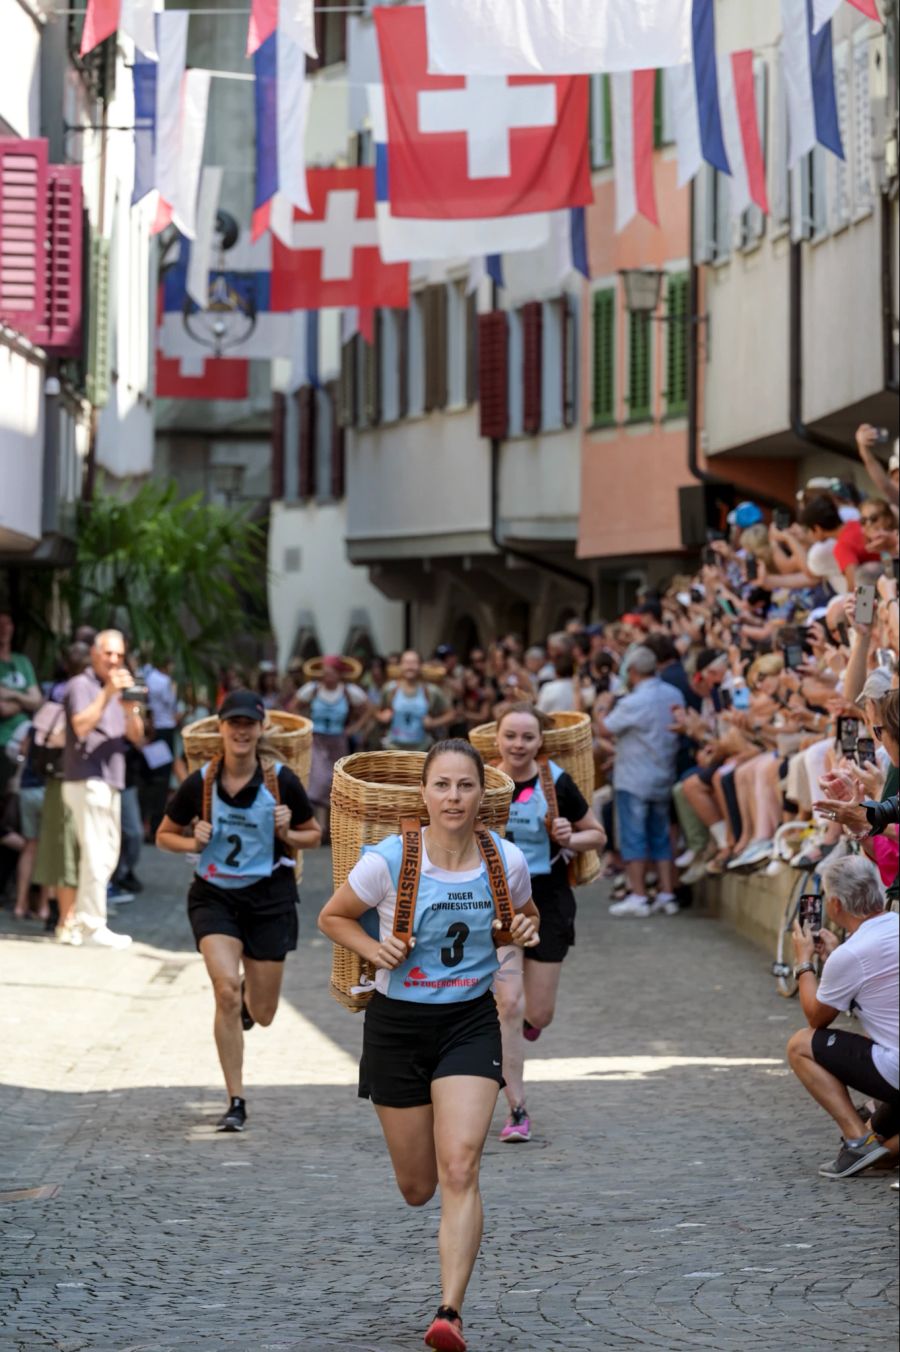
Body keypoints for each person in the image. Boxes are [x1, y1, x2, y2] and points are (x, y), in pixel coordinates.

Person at [318, 740, 539, 1352]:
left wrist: (524, 926)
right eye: (441, 785)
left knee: (462, 1165)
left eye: (464, 786)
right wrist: (372, 948)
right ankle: (444, 1277)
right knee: (418, 1187)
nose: (453, 797)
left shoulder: (506, 859)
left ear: (481, 796)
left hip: (469, 1023)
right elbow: (333, 917)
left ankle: (449, 1312)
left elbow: (527, 914)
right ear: (423, 794)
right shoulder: (388, 860)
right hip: (396, 1029)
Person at [156, 691, 321, 1133]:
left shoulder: (280, 781)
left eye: (249, 723)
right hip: (215, 897)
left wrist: (289, 829)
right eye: (233, 723)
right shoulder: (202, 782)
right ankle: (236, 1098)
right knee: (225, 989)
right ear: (221, 728)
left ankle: (251, 999)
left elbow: (314, 836)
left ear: (261, 728)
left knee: (262, 1013)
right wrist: (193, 841)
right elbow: (164, 836)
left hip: (270, 899)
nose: (241, 730)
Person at [492, 704, 606, 1143]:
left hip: (548, 898)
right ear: (497, 739)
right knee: (509, 1005)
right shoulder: (484, 780)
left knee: (537, 1012)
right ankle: (517, 1109)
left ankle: (521, 1031)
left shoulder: (554, 781)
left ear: (540, 741)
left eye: (527, 737)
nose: (518, 745)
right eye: (511, 736)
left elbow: (595, 833)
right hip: (500, 902)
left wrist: (568, 838)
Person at [786, 853, 898, 1179]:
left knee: (800, 1044)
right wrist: (836, 957)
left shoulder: (852, 953)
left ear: (834, 905)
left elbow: (816, 1019)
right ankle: (872, 1145)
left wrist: (804, 962)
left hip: (896, 1069)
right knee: (884, 1156)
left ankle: (857, 1139)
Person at [61, 631, 144, 948]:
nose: (114, 660)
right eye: (108, 653)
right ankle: (92, 925)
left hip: (111, 778)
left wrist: (130, 706)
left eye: (119, 655)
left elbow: (135, 736)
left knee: (107, 855)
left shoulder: (115, 690)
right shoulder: (81, 685)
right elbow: (80, 726)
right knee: (96, 855)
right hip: (86, 777)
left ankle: (84, 923)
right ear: (94, 653)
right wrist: (108, 692)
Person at [595, 646, 685, 917]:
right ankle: (667, 893)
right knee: (661, 835)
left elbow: (605, 728)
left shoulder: (632, 702)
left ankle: (638, 895)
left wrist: (601, 707)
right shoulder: (674, 693)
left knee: (634, 837)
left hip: (634, 777)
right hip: (663, 773)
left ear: (632, 672)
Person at [296, 657, 369, 838]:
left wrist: (355, 728)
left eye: (331, 672)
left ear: (339, 674)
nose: (327, 676)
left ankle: (331, 827)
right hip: (317, 739)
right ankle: (320, 825)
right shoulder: (312, 690)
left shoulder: (349, 692)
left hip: (338, 740)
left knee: (335, 781)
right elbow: (294, 706)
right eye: (325, 672)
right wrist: (304, 725)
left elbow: (369, 710)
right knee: (320, 779)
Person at [0, 610, 43, 797]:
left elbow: (38, 700)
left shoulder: (22, 661)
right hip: (3, 740)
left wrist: (10, 694)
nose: (4, 629)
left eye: (7, 623)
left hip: (26, 740)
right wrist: (25, 699)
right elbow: (3, 710)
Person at [378, 650, 452, 751]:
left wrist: (433, 722)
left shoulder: (430, 691)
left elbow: (451, 714)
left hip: (422, 749)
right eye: (406, 662)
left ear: (421, 665)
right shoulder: (390, 689)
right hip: (393, 749)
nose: (410, 666)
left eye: (414, 662)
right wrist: (382, 716)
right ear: (400, 666)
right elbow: (375, 710)